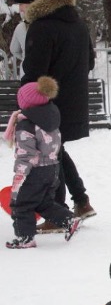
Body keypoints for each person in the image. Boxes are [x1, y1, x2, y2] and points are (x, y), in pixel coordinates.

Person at [21, 0, 96, 229]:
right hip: (74, 101)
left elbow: (33, 71)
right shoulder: (78, 24)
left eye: (21, 3)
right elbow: (91, 61)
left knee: (51, 155)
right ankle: (81, 201)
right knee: (57, 151)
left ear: (34, 1)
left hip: (48, 104)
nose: (19, 9)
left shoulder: (41, 27)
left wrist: (25, 98)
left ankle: (59, 211)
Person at [4, 77, 82, 248]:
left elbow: (27, 154)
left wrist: (19, 176)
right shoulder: (51, 118)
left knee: (21, 203)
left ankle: (25, 238)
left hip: (35, 171)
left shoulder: (26, 124)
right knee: (43, 203)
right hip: (53, 168)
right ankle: (69, 219)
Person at [9, 0, 48, 75]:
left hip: (28, 78)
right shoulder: (55, 24)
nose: (20, 9)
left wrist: (26, 58)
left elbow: (14, 50)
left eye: (22, 4)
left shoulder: (21, 28)